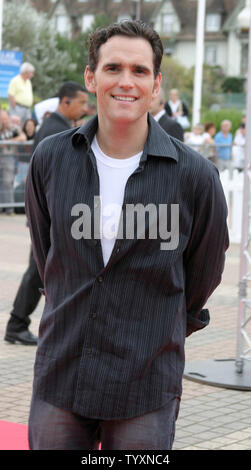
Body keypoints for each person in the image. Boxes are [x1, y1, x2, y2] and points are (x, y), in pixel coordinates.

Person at [25, 20, 229, 450]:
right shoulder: (51, 158)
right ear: (91, 76)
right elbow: (47, 257)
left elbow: (203, 274)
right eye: (113, 67)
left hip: (145, 381)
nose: (125, 81)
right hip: (62, 372)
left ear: (156, 85)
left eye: (139, 71)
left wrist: (163, 323)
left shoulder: (195, 176)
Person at [4, 81, 89, 346]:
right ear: (66, 102)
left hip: (50, 212)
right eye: (81, 103)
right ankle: (17, 323)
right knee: (39, 270)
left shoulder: (58, 127)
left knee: (44, 270)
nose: (85, 109)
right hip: (50, 213)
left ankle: (23, 324)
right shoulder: (56, 130)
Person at [0, 110, 26, 215]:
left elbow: (23, 137)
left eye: (5, 119)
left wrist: (10, 141)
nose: (4, 121)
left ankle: (9, 209)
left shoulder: (13, 128)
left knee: (7, 182)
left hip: (7, 158)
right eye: (2, 119)